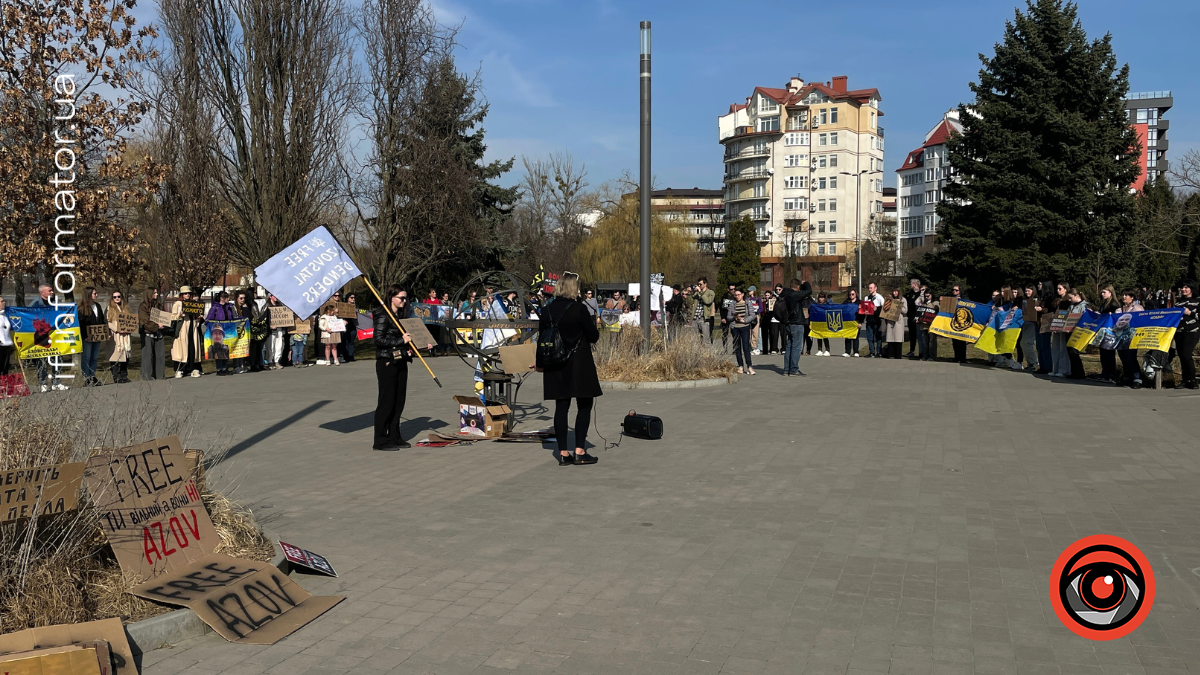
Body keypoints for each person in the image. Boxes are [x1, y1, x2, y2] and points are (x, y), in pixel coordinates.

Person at [537, 272, 601, 466]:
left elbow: (542, 338)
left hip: (555, 363)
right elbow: (593, 337)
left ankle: (563, 453)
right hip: (579, 362)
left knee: (561, 406)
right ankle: (580, 450)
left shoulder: (546, 310)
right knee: (584, 405)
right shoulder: (579, 309)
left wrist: (539, 363)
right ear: (574, 289)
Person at [373, 287, 430, 450]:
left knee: (399, 401)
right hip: (387, 362)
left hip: (401, 361)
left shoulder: (402, 317)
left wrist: (421, 345)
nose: (404, 301)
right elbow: (378, 340)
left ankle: (395, 436)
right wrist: (401, 341)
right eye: (401, 298)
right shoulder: (383, 315)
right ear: (391, 297)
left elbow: (407, 341)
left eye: (405, 298)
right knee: (387, 401)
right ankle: (381, 440)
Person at [29, 284, 61, 391]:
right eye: (49, 291)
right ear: (42, 293)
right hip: (41, 336)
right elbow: (30, 319)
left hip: (54, 334)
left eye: (52, 291)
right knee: (42, 360)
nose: (52, 292)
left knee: (57, 358)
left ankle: (56, 382)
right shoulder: (35, 304)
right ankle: (43, 383)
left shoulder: (55, 302)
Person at [171, 287, 205, 377]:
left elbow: (196, 318)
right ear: (182, 295)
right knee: (182, 349)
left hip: (192, 328)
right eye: (185, 293)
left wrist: (198, 318)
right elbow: (173, 317)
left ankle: (194, 368)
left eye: (189, 293)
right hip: (182, 329)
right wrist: (180, 315)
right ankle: (180, 369)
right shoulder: (178, 304)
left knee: (193, 347)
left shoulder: (194, 304)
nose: (187, 295)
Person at [780, 279, 812, 376]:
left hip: (788, 322)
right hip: (796, 322)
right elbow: (809, 291)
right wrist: (805, 283)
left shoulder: (785, 294)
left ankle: (787, 369)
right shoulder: (795, 295)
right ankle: (793, 369)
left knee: (789, 346)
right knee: (796, 347)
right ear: (798, 287)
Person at [1116, 289, 1144, 388]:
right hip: (1120, 337)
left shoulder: (1137, 308)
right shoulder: (1120, 309)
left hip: (1131, 336)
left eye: (1127, 295)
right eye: (1123, 295)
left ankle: (1137, 378)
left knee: (1131, 357)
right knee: (1123, 357)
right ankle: (1126, 377)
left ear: (1132, 297)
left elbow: (1140, 320)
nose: (1124, 297)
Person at [78, 287, 107, 386]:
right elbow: (81, 323)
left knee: (94, 357)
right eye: (94, 293)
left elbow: (102, 321)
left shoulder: (98, 306)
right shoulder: (82, 308)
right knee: (86, 357)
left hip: (97, 336)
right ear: (89, 294)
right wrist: (85, 335)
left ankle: (93, 376)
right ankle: (86, 377)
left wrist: (105, 332)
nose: (96, 295)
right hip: (87, 337)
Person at [1174, 281, 1199, 390]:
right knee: (1181, 355)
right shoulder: (1178, 302)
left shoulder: (1197, 301)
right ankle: (1185, 380)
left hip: (1192, 331)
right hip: (1179, 332)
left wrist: (1190, 313)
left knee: (1186, 354)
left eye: (1186, 287)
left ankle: (1192, 380)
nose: (1183, 289)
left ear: (1192, 289)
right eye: (1182, 287)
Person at [1093, 285, 1120, 383]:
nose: (1102, 294)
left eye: (1104, 292)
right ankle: (1105, 373)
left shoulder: (1113, 304)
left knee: (1108, 353)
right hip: (1103, 330)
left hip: (1110, 331)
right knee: (1103, 353)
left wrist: (1103, 314)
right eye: (1102, 292)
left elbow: (1112, 315)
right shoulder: (1105, 303)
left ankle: (1110, 374)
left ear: (1110, 293)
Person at [205, 292, 236, 375]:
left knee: (225, 349)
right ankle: (219, 369)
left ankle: (224, 367)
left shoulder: (229, 307)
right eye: (227, 298)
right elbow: (209, 319)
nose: (228, 299)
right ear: (222, 298)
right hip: (217, 330)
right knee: (218, 350)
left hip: (227, 331)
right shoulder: (215, 308)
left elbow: (232, 318)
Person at [106, 290, 133, 383]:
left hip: (125, 337)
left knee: (126, 357)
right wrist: (117, 329)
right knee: (115, 358)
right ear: (112, 298)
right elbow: (109, 322)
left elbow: (131, 321)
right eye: (115, 297)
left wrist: (130, 328)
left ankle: (124, 376)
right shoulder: (109, 308)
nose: (117, 298)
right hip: (115, 336)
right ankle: (116, 377)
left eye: (119, 296)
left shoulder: (126, 308)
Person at [1063, 288, 1088, 379]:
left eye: (1070, 298)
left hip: (1077, 331)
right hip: (1069, 330)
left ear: (1076, 296)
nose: (1069, 300)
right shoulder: (1071, 305)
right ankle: (1074, 371)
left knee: (1074, 352)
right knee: (1069, 351)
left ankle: (1080, 373)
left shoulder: (1084, 305)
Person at [729, 288, 756, 375]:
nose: (737, 296)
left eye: (738, 294)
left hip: (745, 327)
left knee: (746, 347)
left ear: (742, 294)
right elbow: (728, 316)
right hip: (735, 327)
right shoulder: (732, 304)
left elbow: (752, 315)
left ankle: (749, 366)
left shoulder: (747, 303)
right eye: (735, 295)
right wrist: (734, 317)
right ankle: (740, 366)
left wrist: (745, 320)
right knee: (737, 347)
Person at [1048, 282, 1072, 378]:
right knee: (1055, 348)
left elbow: (1065, 314)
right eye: (1057, 288)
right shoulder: (1058, 300)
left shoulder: (1067, 301)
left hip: (1062, 327)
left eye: (1060, 288)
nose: (1058, 290)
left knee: (1063, 349)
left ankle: (1063, 370)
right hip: (1056, 326)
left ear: (1066, 289)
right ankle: (1056, 368)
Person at [1017, 284, 1041, 372]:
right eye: (1026, 291)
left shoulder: (1037, 300)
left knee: (1026, 342)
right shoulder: (1025, 300)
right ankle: (1031, 362)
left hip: (1033, 323)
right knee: (1024, 343)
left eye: (1029, 291)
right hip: (1026, 323)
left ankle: (1033, 362)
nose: (1027, 292)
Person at [882, 288, 908, 359]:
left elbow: (905, 310)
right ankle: (890, 354)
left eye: (896, 291)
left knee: (898, 337)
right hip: (890, 320)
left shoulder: (903, 299)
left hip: (898, 320)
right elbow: (885, 309)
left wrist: (899, 304)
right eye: (894, 291)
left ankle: (898, 355)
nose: (895, 293)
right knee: (890, 337)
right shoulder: (889, 299)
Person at [232, 291, 253, 374]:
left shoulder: (244, 307)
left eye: (244, 298)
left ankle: (242, 364)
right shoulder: (233, 308)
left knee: (243, 348)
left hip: (244, 331)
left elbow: (249, 317)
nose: (243, 300)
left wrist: (245, 308)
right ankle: (236, 366)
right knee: (236, 349)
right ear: (237, 298)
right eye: (241, 298)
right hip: (236, 331)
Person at [862, 283, 885, 358]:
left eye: (871, 288)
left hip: (877, 320)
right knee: (869, 337)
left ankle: (879, 352)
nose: (870, 289)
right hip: (869, 319)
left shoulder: (879, 297)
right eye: (869, 288)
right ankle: (871, 351)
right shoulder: (867, 298)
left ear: (875, 288)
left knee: (877, 336)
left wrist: (877, 309)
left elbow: (883, 310)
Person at [949, 285, 968, 364]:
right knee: (954, 341)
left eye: (956, 290)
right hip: (954, 321)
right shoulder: (951, 298)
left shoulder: (965, 298)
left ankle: (963, 358)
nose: (954, 291)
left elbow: (970, 305)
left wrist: (961, 301)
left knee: (962, 341)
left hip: (962, 322)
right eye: (953, 290)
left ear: (960, 291)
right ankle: (956, 356)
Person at [695, 277, 716, 343]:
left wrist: (701, 293)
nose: (699, 286)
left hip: (704, 318)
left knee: (706, 339)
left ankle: (707, 353)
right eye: (698, 284)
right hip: (695, 317)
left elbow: (707, 301)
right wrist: (693, 291)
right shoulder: (697, 293)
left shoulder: (710, 292)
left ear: (705, 284)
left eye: (700, 284)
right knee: (696, 339)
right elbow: (692, 299)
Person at [904, 278, 921, 357]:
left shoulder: (921, 294)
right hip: (910, 317)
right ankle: (912, 350)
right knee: (912, 335)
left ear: (915, 284)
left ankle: (921, 351)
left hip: (918, 318)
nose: (910, 285)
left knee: (919, 335)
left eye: (911, 284)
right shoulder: (909, 294)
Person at [843, 289, 861, 357]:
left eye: (853, 294)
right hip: (847, 322)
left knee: (855, 337)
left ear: (856, 294)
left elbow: (862, 314)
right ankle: (847, 352)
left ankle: (856, 351)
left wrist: (860, 322)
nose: (851, 296)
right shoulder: (846, 302)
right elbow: (841, 309)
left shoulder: (859, 302)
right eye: (850, 294)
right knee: (847, 337)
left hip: (856, 322)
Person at [341, 292, 359, 362]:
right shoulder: (343, 306)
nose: (353, 299)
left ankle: (351, 356)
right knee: (345, 341)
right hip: (345, 326)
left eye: (354, 298)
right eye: (351, 298)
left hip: (353, 326)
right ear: (348, 299)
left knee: (351, 342)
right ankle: (346, 356)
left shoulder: (356, 307)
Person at [0, 297, 12, 376]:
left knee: (5, 370)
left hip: (7, 345)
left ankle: (4, 387)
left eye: (4, 301)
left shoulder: (5, 315)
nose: (4, 303)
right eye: (1, 301)